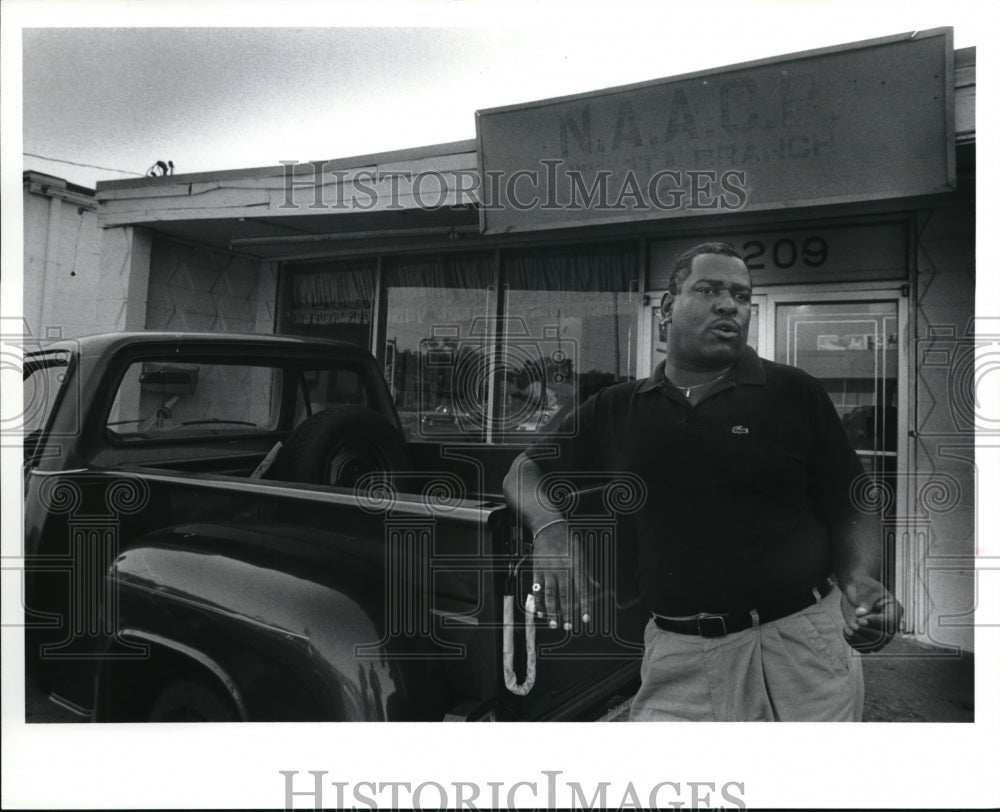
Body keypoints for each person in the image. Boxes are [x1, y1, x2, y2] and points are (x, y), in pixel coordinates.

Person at [502, 241, 902, 721]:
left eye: (742, 295)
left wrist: (861, 578)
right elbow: (524, 469)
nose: (730, 304)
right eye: (710, 289)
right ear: (669, 308)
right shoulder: (619, 407)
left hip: (801, 645)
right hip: (679, 655)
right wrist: (551, 530)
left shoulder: (794, 392)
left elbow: (851, 500)